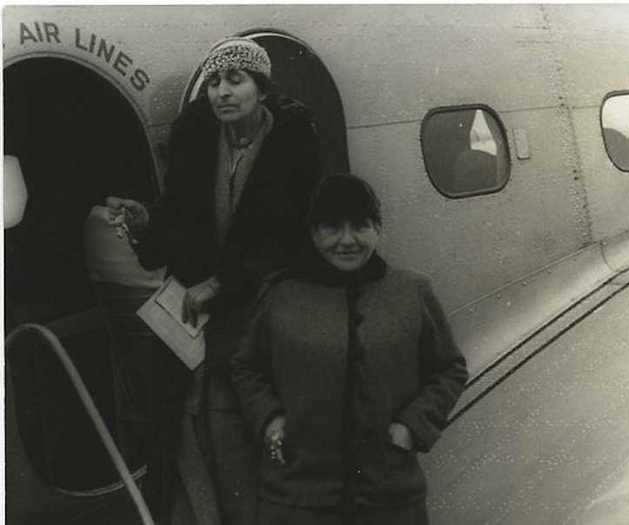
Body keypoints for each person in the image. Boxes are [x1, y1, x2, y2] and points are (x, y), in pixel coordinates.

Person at [106, 36, 321, 525]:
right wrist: (145, 222)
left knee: (247, 428)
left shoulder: (293, 144)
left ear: (261, 89)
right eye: (214, 82)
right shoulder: (197, 140)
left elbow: (294, 239)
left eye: (235, 80)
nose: (222, 92)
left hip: (260, 310)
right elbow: (177, 218)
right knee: (189, 426)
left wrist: (225, 284)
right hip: (196, 317)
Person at [231, 174, 468, 525]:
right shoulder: (280, 295)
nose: (347, 240)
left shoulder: (412, 292)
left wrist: (412, 426)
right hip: (298, 498)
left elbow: (450, 368)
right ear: (313, 233)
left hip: (389, 498)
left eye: (360, 226)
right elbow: (245, 366)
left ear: (378, 230)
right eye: (331, 228)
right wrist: (269, 419)